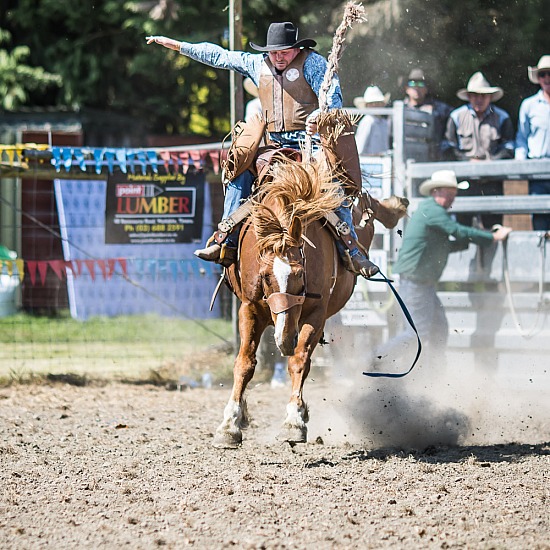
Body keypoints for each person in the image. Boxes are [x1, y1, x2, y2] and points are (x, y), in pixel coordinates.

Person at [146, 22, 378, 277]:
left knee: (332, 184)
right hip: (274, 145)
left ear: (297, 49)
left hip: (311, 144)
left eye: (285, 52)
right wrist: (179, 46)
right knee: (239, 172)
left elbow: (333, 98)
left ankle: (351, 251)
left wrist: (320, 117)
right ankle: (227, 239)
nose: (278, 57)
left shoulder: (314, 64)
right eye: (274, 52)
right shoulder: (257, 63)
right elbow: (219, 56)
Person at [374, 169, 512, 367]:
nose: (452, 196)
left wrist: (472, 240)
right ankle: (375, 360)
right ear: (436, 191)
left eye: (453, 192)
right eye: (449, 192)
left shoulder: (431, 211)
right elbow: (456, 231)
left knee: (437, 329)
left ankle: (433, 373)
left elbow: (444, 244)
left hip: (420, 282)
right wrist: (491, 237)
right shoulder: (433, 210)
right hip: (415, 282)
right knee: (416, 334)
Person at [442, 71, 515, 229]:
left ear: (490, 97)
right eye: (475, 95)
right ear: (469, 97)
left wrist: (492, 162)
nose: (479, 99)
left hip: (492, 180)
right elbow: (448, 147)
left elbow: (509, 147)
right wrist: (467, 161)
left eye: (483, 95)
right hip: (464, 181)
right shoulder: (456, 117)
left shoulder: (502, 117)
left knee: (493, 226)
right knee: (463, 227)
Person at [515, 55, 550, 231]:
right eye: (543, 74)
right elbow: (522, 137)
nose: (547, 78)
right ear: (538, 78)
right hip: (538, 171)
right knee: (540, 222)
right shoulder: (529, 105)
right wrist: (522, 165)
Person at [403, 68, 452, 160]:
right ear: (407, 89)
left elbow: (451, 132)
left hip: (432, 158)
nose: (416, 88)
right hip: (407, 157)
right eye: (412, 84)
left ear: (426, 89)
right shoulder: (399, 111)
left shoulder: (440, 109)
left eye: (421, 84)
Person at [353, 85, 391, 155]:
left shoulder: (384, 123)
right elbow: (359, 149)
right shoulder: (368, 121)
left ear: (382, 104)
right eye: (372, 103)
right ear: (367, 106)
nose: (375, 105)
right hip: (369, 164)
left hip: (384, 163)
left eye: (378, 103)